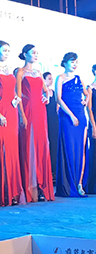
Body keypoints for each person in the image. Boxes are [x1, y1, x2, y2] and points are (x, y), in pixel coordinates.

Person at [0, 40, 23, 206]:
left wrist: (16, 98)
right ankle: (0, 192)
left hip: (12, 111)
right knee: (1, 149)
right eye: (4, 50)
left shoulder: (10, 69)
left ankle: (12, 192)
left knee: (12, 151)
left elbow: (12, 91)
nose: (6, 53)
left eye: (8, 50)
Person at [16, 44, 54, 202]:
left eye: (37, 52)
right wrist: (22, 115)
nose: (36, 55)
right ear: (25, 54)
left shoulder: (38, 72)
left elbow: (47, 91)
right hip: (28, 110)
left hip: (40, 111)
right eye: (33, 52)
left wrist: (47, 97)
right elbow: (18, 95)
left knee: (41, 146)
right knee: (29, 146)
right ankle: (30, 187)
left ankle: (41, 186)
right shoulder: (20, 71)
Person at [55, 52, 89, 197]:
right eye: (72, 62)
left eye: (76, 62)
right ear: (65, 63)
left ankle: (79, 183)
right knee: (69, 148)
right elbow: (58, 99)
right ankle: (69, 184)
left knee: (81, 149)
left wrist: (86, 101)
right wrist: (71, 115)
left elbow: (87, 93)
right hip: (67, 116)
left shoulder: (79, 78)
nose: (75, 64)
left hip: (80, 114)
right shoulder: (60, 78)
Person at [43, 71, 59, 178]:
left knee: (54, 144)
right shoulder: (42, 93)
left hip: (55, 121)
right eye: (49, 78)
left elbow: (57, 106)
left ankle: (54, 170)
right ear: (43, 80)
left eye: (51, 79)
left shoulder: (53, 92)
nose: (51, 81)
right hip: (46, 120)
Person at [86, 65, 96, 194]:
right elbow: (89, 109)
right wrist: (94, 126)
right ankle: (93, 186)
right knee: (94, 154)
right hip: (95, 121)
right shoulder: (90, 88)